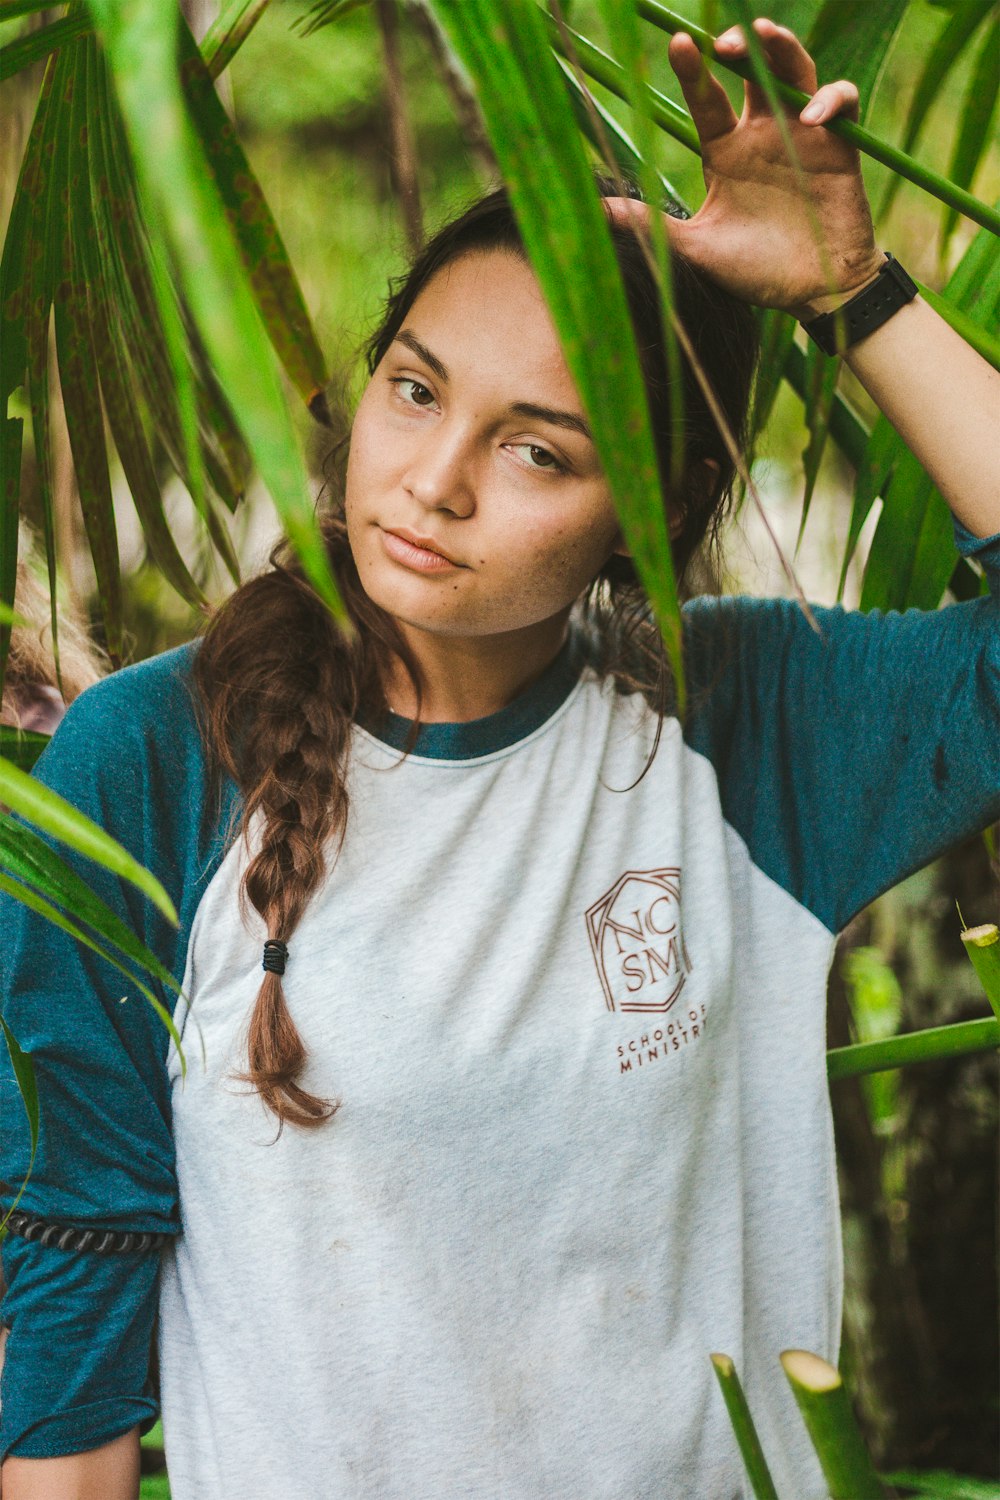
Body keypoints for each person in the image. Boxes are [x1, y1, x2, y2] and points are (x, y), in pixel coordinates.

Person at [1, 18, 997, 1499]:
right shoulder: (153, 755)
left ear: (657, 500)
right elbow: (80, 1247)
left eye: (539, 449)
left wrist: (859, 294)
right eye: (416, 388)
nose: (435, 483)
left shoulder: (742, 726)